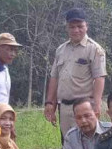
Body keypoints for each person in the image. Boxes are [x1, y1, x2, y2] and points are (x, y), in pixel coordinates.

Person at [44, 8, 107, 142]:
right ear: (67, 28)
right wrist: (50, 103)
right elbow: (55, 77)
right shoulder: (61, 50)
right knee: (68, 145)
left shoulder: (94, 49)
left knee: (87, 144)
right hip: (64, 107)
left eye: (80, 26)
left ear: (86, 26)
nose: (76, 30)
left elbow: (99, 78)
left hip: (84, 107)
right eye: (72, 27)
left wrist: (96, 105)